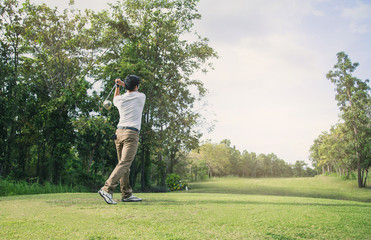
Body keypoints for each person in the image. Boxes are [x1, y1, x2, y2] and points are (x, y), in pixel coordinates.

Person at [98, 75, 146, 204]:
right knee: (124, 163)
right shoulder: (141, 97)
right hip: (131, 134)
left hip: (119, 133)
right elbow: (132, 89)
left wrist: (118, 86)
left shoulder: (119, 100)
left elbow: (115, 97)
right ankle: (107, 189)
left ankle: (126, 194)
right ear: (136, 86)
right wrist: (123, 84)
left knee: (123, 165)